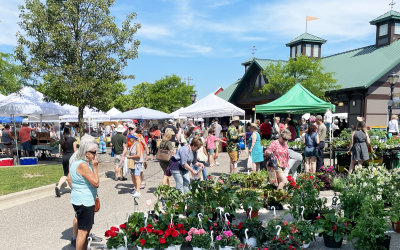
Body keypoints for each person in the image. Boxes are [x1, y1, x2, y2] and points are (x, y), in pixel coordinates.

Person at [69, 139, 99, 250]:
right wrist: (95, 167)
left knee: (86, 230)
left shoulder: (78, 162)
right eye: (93, 152)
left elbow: (69, 178)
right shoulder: (83, 165)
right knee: (82, 232)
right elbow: (96, 183)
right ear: (86, 153)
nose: (95, 155)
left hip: (82, 200)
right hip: (84, 202)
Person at [56, 127, 77, 197]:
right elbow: (75, 150)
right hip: (71, 157)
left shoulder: (61, 140)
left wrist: (64, 154)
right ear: (70, 131)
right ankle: (73, 189)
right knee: (72, 173)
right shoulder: (72, 139)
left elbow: (59, 151)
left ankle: (58, 186)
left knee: (65, 174)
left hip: (64, 157)